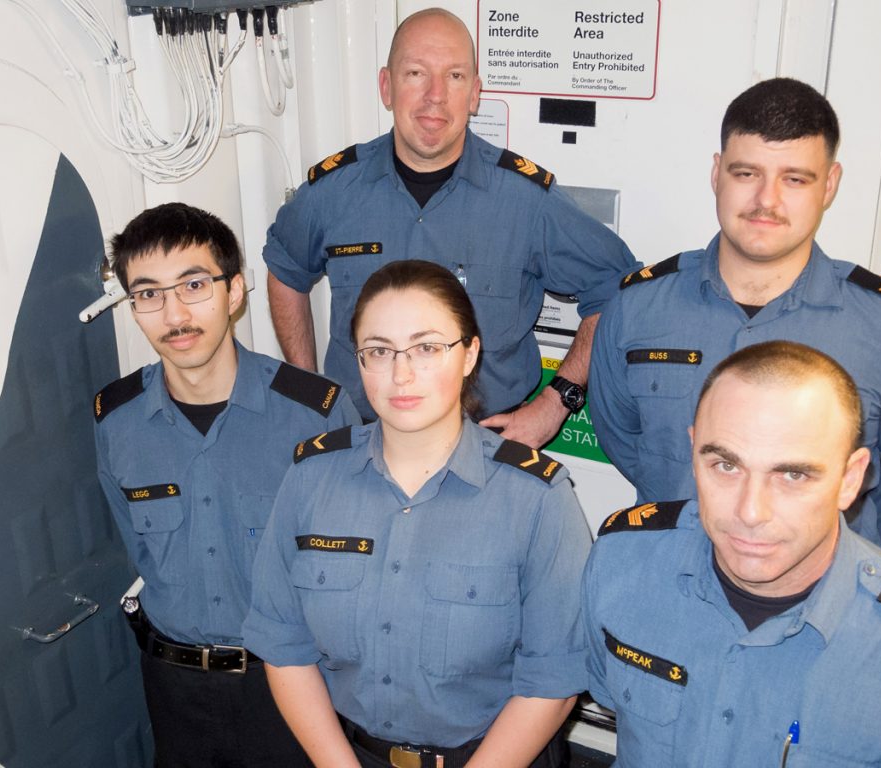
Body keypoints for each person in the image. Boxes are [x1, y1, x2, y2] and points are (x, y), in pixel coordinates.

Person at [583, 340, 881, 767]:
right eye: (726, 466)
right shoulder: (621, 568)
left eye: (792, 474)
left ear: (850, 479)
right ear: (693, 454)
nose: (750, 512)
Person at [589, 77, 881, 552]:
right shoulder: (637, 308)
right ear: (716, 174)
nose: (766, 201)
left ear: (829, 185)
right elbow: (623, 439)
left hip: (818, 611)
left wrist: (833, 556)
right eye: (746, 173)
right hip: (668, 582)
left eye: (794, 179)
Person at [242, 260, 591, 767]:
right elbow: (283, 643)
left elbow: (553, 681)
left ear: (470, 354)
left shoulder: (536, 497)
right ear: (359, 361)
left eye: (427, 348)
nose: (401, 374)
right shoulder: (311, 478)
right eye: (379, 351)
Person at [263, 7, 636, 447]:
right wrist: (312, 393)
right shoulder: (332, 193)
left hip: (485, 445)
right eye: (416, 73)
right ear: (386, 87)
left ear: (474, 95)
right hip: (360, 444)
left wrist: (557, 402)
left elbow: (620, 287)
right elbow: (286, 268)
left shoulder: (526, 202)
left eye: (455, 77)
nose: (435, 95)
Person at [92, 203, 359, 767]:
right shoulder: (116, 424)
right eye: (148, 294)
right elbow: (138, 549)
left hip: (289, 685)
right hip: (173, 686)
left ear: (235, 292)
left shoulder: (315, 416)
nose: (173, 313)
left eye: (193, 285)